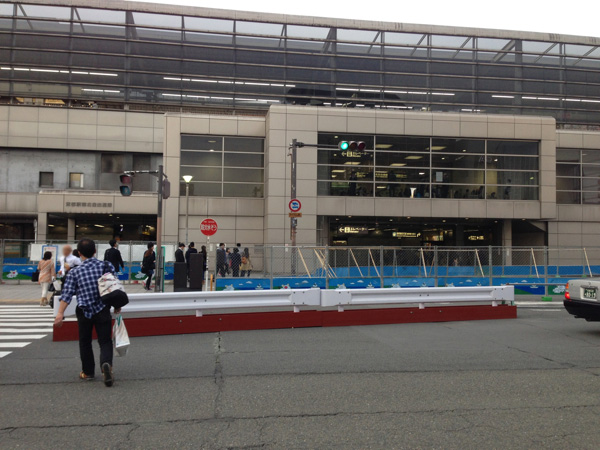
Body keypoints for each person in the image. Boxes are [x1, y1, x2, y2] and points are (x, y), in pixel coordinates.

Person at [54, 238, 120, 387]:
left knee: (85, 342)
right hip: (102, 308)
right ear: (95, 251)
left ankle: (88, 372)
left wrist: (60, 314)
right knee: (105, 341)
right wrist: (117, 305)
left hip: (84, 311)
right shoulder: (106, 265)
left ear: (79, 253)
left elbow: (66, 295)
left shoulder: (75, 272)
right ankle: (106, 365)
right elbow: (114, 286)